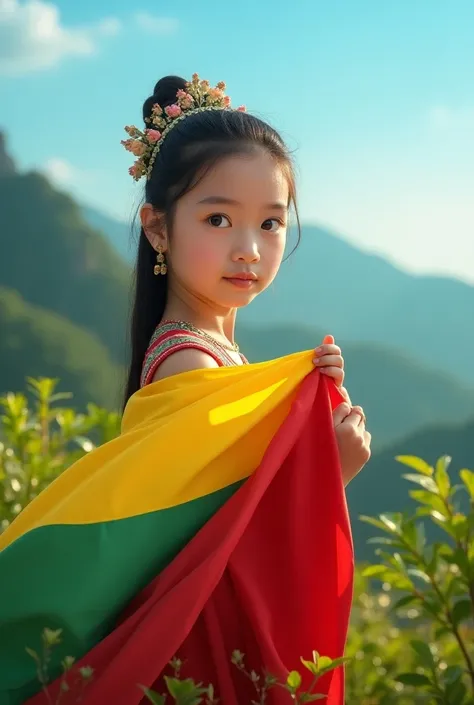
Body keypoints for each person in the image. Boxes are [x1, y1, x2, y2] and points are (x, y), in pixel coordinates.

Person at [0, 74, 370, 705]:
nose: (249, 249)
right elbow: (207, 561)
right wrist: (326, 472)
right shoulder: (191, 367)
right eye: (218, 218)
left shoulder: (216, 358)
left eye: (272, 223)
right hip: (190, 663)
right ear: (159, 229)